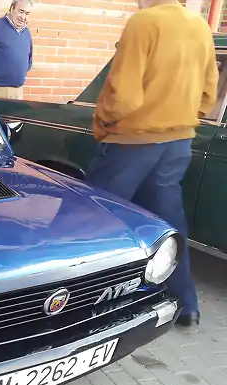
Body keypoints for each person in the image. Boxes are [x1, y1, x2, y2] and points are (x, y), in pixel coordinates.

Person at [85, 0, 219, 328]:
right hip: (176, 144)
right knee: (169, 222)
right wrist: (180, 119)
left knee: (96, 224)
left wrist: (102, 125)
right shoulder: (200, 27)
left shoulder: (143, 23)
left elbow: (124, 97)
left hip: (131, 142)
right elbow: (208, 93)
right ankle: (186, 304)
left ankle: (85, 310)